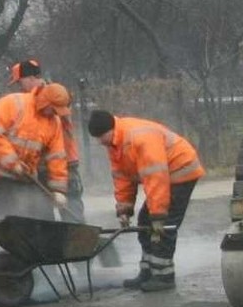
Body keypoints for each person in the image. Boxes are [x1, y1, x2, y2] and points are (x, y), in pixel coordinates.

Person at [87, 110, 205, 292]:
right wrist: (124, 209)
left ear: (111, 129)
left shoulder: (139, 138)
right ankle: (148, 271)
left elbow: (156, 177)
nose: (99, 141)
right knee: (144, 222)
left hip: (181, 171)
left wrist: (158, 214)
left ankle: (164, 276)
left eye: (101, 136)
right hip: (163, 175)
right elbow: (122, 178)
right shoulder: (114, 144)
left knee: (163, 225)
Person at [0, 82, 70, 261]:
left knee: (30, 218)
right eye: (54, 109)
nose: (56, 113)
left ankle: (29, 263)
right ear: (45, 102)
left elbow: (56, 157)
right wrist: (13, 164)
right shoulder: (12, 104)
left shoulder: (54, 123)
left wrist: (59, 190)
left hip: (23, 178)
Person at [8, 59, 85, 223]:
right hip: (41, 166)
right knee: (42, 217)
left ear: (29, 79)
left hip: (63, 163)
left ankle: (80, 245)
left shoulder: (54, 96)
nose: (19, 88)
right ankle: (51, 246)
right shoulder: (33, 100)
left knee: (71, 213)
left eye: (19, 83)